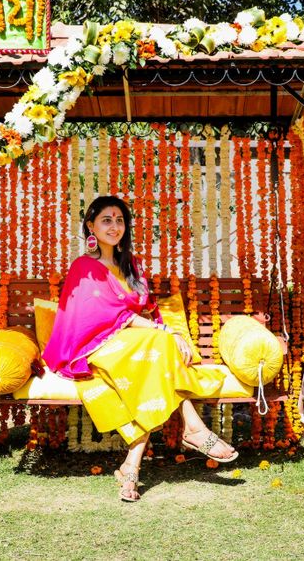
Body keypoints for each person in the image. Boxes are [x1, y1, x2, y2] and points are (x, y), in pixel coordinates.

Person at [42, 195, 238, 502]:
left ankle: (132, 465)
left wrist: (165, 333)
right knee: (158, 347)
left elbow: (145, 308)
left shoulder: (131, 264)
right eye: (106, 220)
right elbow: (101, 315)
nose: (114, 226)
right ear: (91, 225)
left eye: (120, 220)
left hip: (136, 347)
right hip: (96, 346)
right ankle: (193, 429)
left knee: (153, 361)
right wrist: (164, 332)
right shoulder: (84, 267)